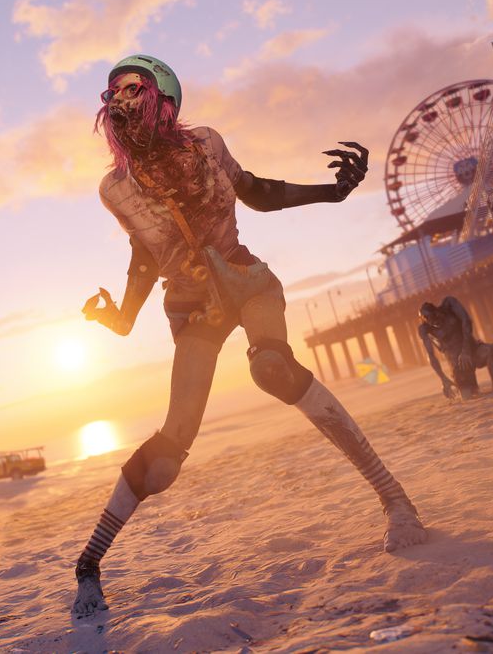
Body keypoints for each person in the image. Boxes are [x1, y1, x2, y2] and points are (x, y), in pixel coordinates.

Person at [72, 54, 427, 619]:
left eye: (132, 86)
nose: (119, 98)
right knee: (167, 455)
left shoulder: (207, 144)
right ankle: (89, 563)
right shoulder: (114, 189)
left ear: (163, 95)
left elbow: (254, 191)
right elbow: (144, 251)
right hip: (190, 309)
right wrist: (120, 318)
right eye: (112, 89)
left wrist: (331, 193)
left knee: (272, 368)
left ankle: (397, 502)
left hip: (246, 278)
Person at [418, 296, 493, 399]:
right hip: (458, 365)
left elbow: (467, 321)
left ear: (436, 311)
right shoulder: (425, 329)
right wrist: (443, 379)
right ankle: (471, 387)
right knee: (468, 397)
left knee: (490, 350)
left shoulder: (448, 305)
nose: (428, 320)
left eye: (429, 316)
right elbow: (431, 355)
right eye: (424, 318)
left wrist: (466, 351)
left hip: (472, 352)